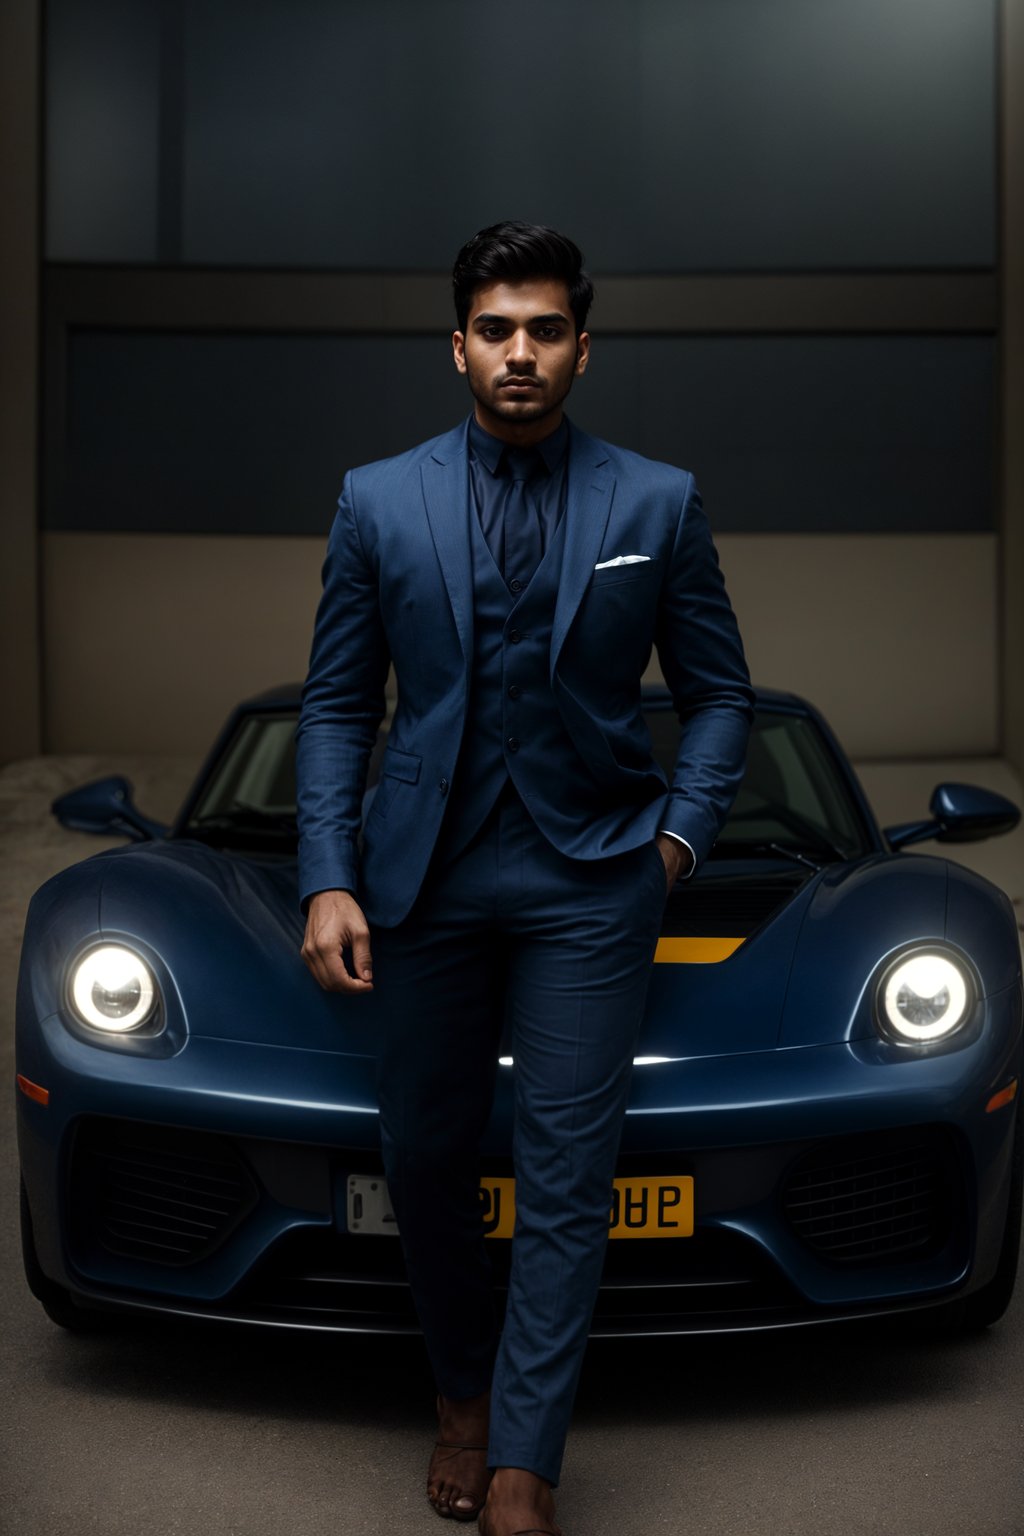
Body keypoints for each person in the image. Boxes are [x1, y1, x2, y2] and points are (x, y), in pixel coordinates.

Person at [296, 221, 753, 1536]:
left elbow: (721, 699)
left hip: (592, 875)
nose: (520, 352)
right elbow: (336, 706)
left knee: (566, 1172)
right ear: (458, 346)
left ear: (581, 350)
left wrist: (675, 840)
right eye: (496, 328)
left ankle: (524, 1463)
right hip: (422, 883)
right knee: (427, 1156)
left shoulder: (655, 501)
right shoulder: (377, 499)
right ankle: (459, 1393)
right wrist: (330, 872)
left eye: (545, 329)